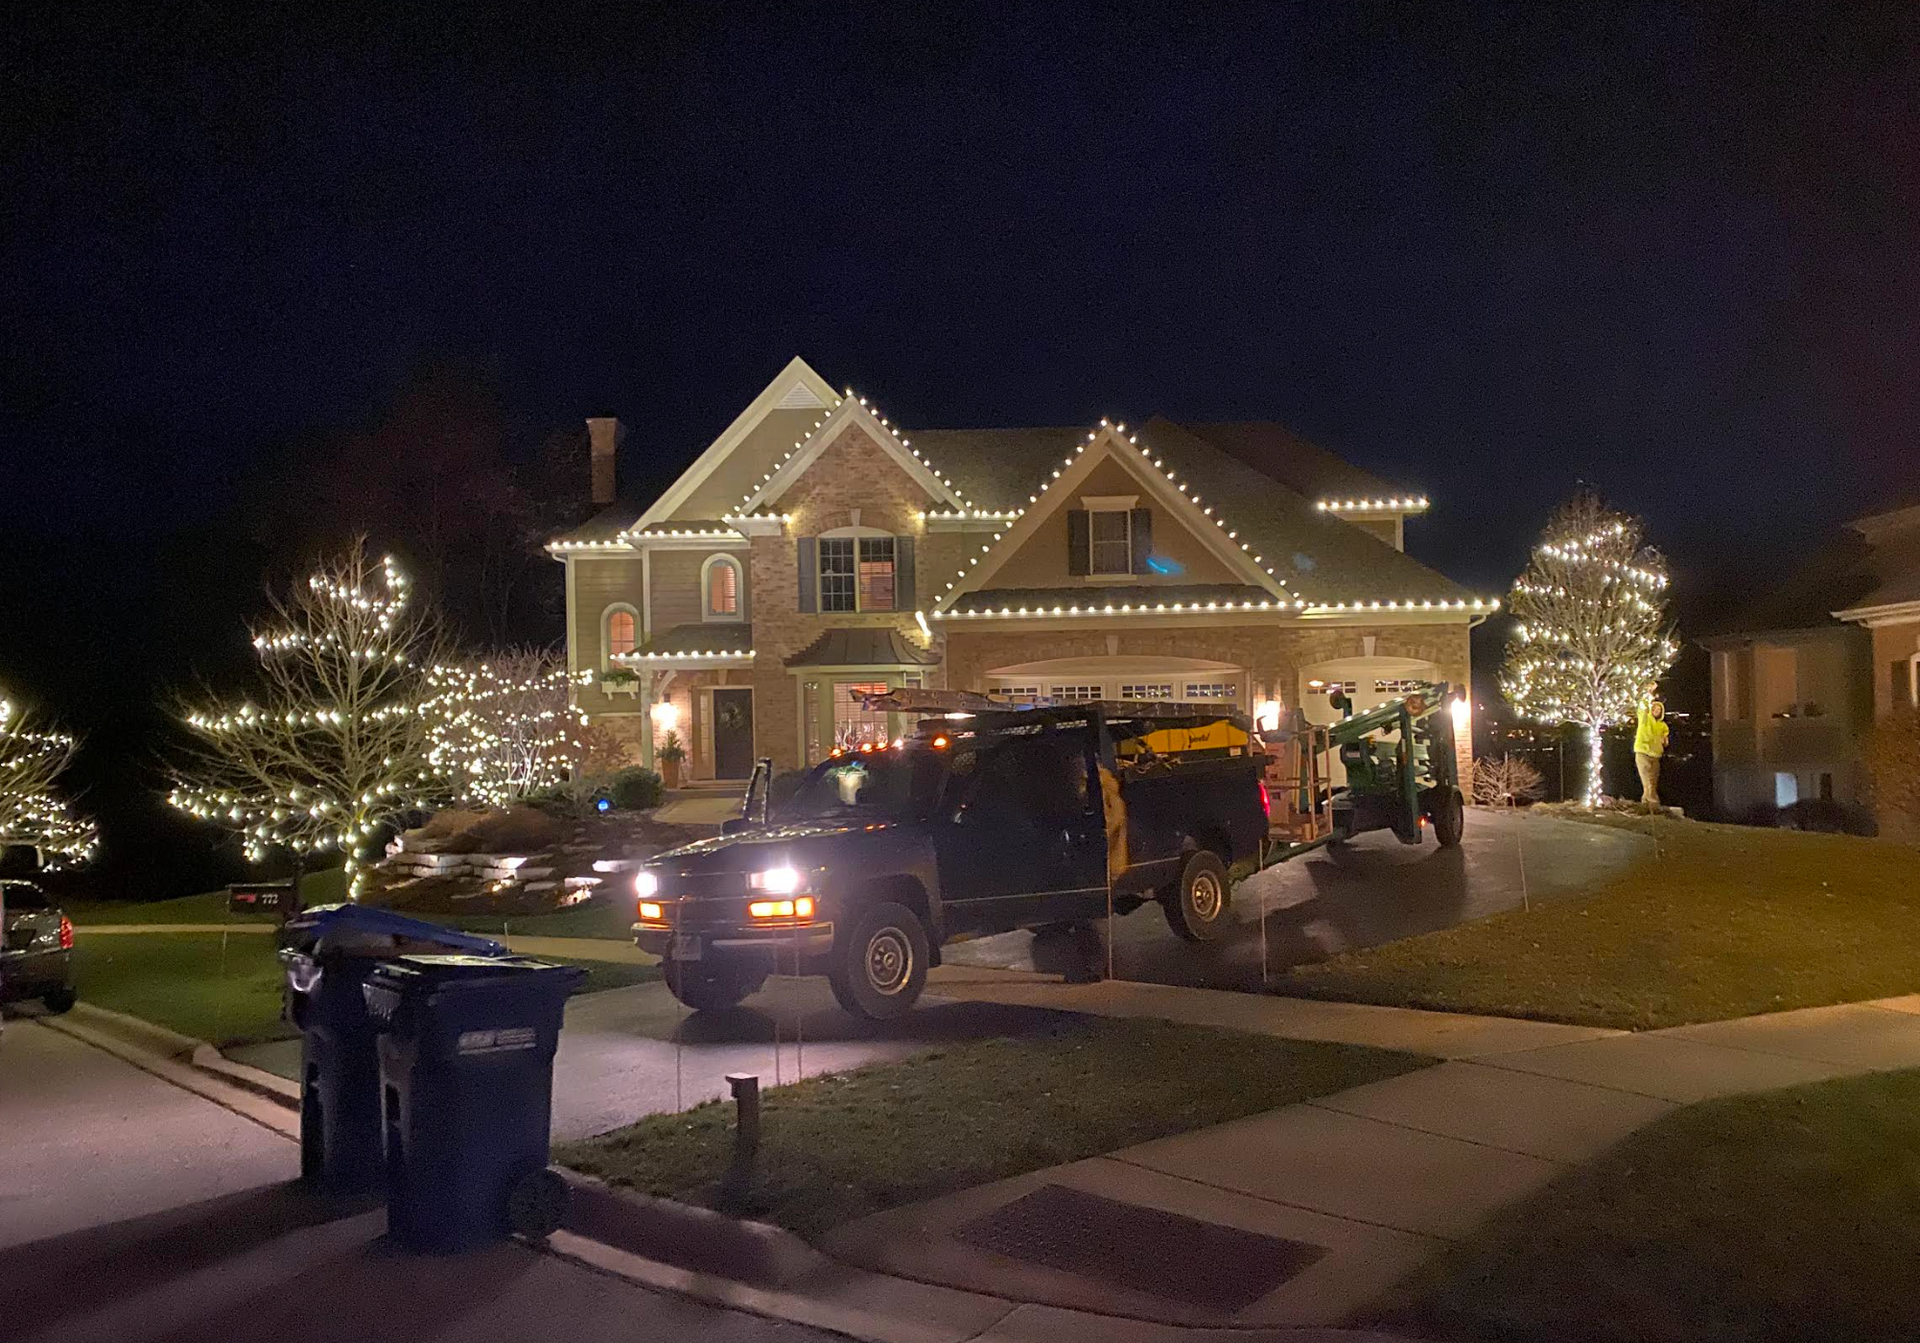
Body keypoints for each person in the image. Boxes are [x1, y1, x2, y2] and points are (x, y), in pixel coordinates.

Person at [1634, 685, 1669, 810]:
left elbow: (1665, 739)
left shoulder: (1663, 726)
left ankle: (1648, 804)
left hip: (1655, 754)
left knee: (1653, 781)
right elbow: (1642, 706)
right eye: (1655, 708)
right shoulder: (1645, 719)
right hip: (1642, 752)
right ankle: (1652, 803)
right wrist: (1648, 693)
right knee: (1647, 780)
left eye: (1659, 710)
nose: (1657, 711)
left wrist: (1664, 741)